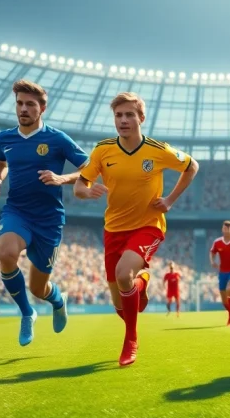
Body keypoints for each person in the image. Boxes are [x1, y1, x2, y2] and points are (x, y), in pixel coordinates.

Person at [74, 92, 199, 366]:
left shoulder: (158, 150)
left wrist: (169, 200)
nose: (123, 120)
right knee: (121, 305)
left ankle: (131, 340)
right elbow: (79, 186)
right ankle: (142, 282)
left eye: (129, 114)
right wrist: (86, 191)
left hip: (148, 225)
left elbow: (192, 167)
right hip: (113, 229)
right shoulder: (103, 150)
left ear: (141, 117)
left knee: (123, 274)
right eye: (118, 115)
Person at [0, 79, 90, 346]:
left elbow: (91, 168)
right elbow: (0, 162)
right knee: (6, 253)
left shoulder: (57, 139)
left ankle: (58, 300)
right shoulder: (5, 138)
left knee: (38, 288)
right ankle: (27, 313)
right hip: (17, 211)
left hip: (49, 220)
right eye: (19, 103)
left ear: (42, 108)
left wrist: (61, 178)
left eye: (30, 104)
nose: (23, 109)